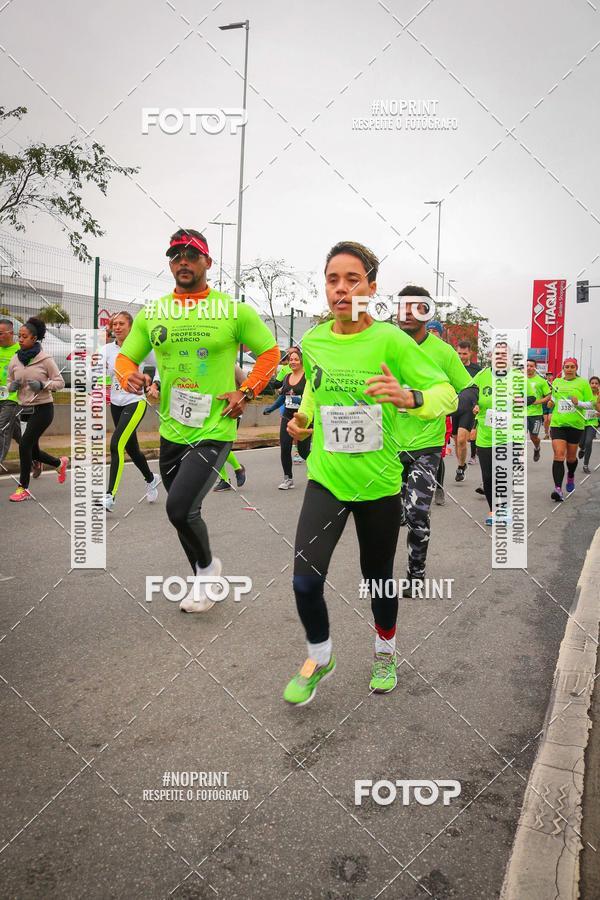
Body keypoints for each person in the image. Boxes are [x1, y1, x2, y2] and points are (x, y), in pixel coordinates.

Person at [283, 241, 457, 705]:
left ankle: (385, 651)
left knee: (377, 578)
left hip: (378, 482)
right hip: (327, 478)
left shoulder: (391, 341)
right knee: (304, 579)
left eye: (352, 279)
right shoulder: (314, 342)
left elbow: (446, 393)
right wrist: (304, 419)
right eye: (332, 280)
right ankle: (320, 656)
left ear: (371, 288)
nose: (341, 289)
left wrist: (411, 398)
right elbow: (315, 391)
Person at [116, 229, 280, 612]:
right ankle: (204, 579)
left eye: (191, 255)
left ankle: (207, 573)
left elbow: (270, 353)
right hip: (172, 428)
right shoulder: (153, 313)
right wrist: (128, 376)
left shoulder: (234, 311)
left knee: (178, 508)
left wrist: (246, 392)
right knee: (185, 514)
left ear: (208, 261)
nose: (183, 262)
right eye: (175, 256)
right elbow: (125, 358)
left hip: (215, 428)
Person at [396, 291, 472, 590]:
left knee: (417, 512)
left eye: (415, 307)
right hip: (386, 446)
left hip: (425, 447)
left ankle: (415, 573)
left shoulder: (443, 352)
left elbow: (468, 388)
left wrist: (445, 405)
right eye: (402, 307)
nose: (407, 312)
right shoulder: (385, 344)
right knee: (387, 515)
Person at [100, 312, 160, 511]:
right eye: (114, 324)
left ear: (131, 327)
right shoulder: (106, 350)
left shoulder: (140, 347)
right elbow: (97, 374)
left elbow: (162, 363)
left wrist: (156, 384)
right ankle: (151, 479)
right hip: (116, 403)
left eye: (121, 324)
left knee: (116, 444)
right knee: (132, 449)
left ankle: (110, 496)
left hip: (135, 401)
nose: (117, 327)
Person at [6, 317, 67, 501]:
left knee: (24, 445)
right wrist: (12, 387)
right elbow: (9, 381)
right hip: (25, 409)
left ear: (34, 338)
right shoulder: (15, 359)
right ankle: (59, 463)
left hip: (43, 409)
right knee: (32, 451)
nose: (20, 339)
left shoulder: (45, 359)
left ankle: (23, 488)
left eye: (24, 336)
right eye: (19, 336)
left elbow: (60, 383)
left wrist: (42, 385)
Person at [471, 341, 526, 525]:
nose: (500, 357)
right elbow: (471, 394)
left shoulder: (517, 376)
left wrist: (521, 400)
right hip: (486, 435)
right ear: (491, 357)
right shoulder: (481, 375)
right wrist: (474, 405)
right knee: (488, 476)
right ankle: (493, 510)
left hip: (509, 434)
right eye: (497, 354)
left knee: (503, 473)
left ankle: (504, 508)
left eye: (504, 354)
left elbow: (531, 397)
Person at [548, 358, 594, 501]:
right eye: (566, 366)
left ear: (576, 368)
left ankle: (571, 475)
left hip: (575, 425)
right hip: (558, 424)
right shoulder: (557, 382)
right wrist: (551, 403)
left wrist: (578, 403)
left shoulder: (583, 383)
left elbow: (591, 403)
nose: (569, 369)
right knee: (559, 454)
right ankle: (558, 489)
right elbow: (554, 399)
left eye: (572, 367)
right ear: (563, 368)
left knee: (571, 458)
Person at [274, 347, 311, 489]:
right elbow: (283, 397)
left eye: (296, 359)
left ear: (301, 361)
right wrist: (272, 408)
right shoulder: (286, 377)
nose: (293, 362)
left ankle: (321, 471)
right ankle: (288, 478)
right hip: (287, 416)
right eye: (291, 360)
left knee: (303, 452)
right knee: (285, 447)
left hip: (302, 418)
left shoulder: (307, 377)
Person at [213, 365, 247, 492]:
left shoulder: (234, 368)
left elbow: (248, 388)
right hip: (213, 414)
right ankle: (226, 478)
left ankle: (236, 470)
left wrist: (239, 401)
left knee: (220, 446)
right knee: (214, 447)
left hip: (231, 413)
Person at [452, 339, 481, 480]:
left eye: (464, 354)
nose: (461, 356)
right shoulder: (451, 368)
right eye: (459, 353)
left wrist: (478, 404)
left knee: (462, 440)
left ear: (470, 353)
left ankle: (460, 468)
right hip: (453, 407)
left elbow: (483, 389)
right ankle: (462, 464)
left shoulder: (478, 371)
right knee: (456, 440)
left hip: (469, 408)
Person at [0, 318, 22, 467]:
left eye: (0, 333)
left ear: (11, 333)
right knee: (17, 432)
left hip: (12, 398)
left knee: (2, 429)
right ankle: (36, 456)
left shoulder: (20, 351)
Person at [526, 359, 551, 462]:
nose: (529, 368)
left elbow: (548, 396)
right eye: (527, 365)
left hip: (535, 414)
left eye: (531, 366)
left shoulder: (541, 381)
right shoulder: (518, 380)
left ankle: (537, 448)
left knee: (534, 437)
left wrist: (537, 402)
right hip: (520, 414)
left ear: (535, 368)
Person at [578, 376, 600, 474]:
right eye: (592, 383)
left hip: (593, 422)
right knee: (581, 443)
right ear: (589, 384)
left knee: (588, 442)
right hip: (582, 421)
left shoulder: (599, 395)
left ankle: (585, 465)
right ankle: (582, 449)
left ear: (599, 385)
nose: (594, 385)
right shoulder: (585, 393)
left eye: (596, 383)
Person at [542, 373, 554, 439]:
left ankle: (552, 431)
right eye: (547, 375)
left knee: (550, 418)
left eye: (550, 375)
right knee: (546, 420)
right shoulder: (544, 383)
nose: (549, 377)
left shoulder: (554, 384)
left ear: (552, 376)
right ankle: (546, 434)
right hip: (544, 403)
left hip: (552, 403)